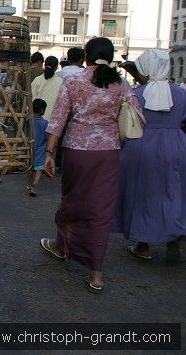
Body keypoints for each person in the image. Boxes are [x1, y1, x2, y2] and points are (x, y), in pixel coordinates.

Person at [41, 37, 140, 293]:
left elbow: (59, 117)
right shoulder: (120, 84)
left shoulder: (73, 81)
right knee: (101, 210)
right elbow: (136, 114)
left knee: (72, 201)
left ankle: (62, 246)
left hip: (77, 151)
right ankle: (96, 273)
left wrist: (49, 153)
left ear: (86, 56)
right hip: (108, 152)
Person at [115, 49, 186, 265]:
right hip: (177, 146)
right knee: (173, 192)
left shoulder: (136, 94)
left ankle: (143, 246)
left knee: (142, 194)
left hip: (141, 146)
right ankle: (173, 234)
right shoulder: (181, 93)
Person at [31, 55, 62, 121]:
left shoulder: (37, 80)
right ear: (56, 67)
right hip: (54, 121)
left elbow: (31, 100)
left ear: (44, 65)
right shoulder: (61, 82)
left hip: (38, 119)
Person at [27, 98, 48, 197]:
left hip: (30, 146)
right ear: (42, 110)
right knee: (39, 167)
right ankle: (35, 184)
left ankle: (30, 184)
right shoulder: (45, 123)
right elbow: (47, 137)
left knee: (30, 166)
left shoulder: (28, 121)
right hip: (41, 148)